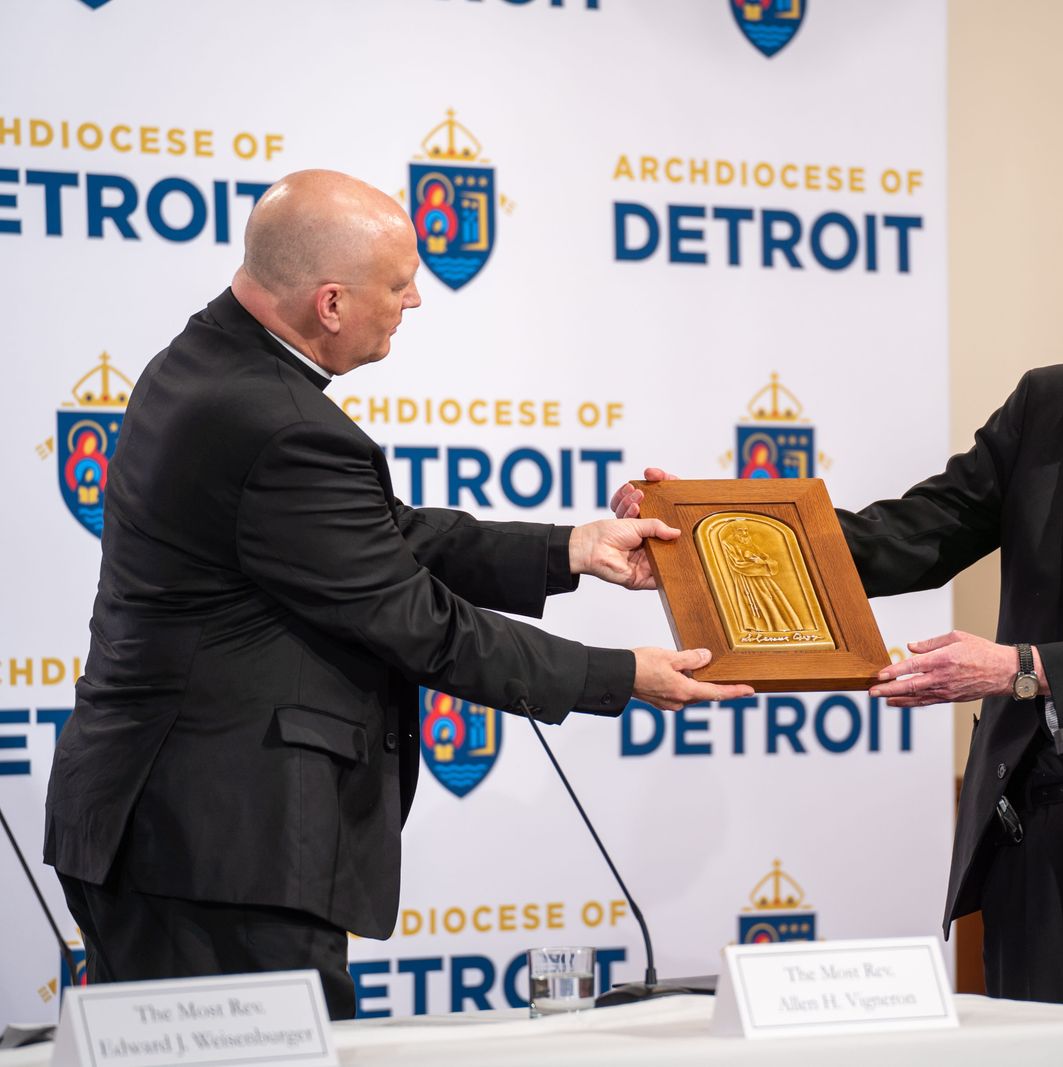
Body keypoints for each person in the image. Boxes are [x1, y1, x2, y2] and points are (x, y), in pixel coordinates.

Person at [613, 209, 1063, 1065]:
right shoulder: (1054, 410)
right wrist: (714, 530)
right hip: (1037, 835)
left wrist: (1021, 667)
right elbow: (915, 533)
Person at [43, 169, 752, 1019]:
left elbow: (384, 535)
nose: (416, 298)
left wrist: (575, 549)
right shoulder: (280, 422)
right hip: (219, 850)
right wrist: (618, 674)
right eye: (398, 282)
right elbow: (419, 624)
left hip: (168, 832)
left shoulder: (205, 362)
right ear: (331, 303)